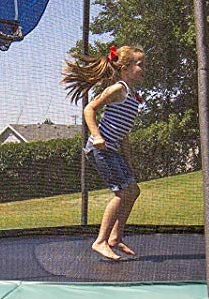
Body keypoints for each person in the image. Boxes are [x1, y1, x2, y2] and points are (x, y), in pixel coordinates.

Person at [62, 44, 146, 261]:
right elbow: (89, 109)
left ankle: (115, 238)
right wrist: (97, 136)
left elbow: (124, 132)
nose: (143, 69)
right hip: (99, 149)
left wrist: (129, 159)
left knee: (133, 191)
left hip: (113, 149)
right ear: (125, 68)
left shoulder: (132, 95)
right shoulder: (117, 89)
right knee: (123, 193)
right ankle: (100, 241)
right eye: (140, 65)